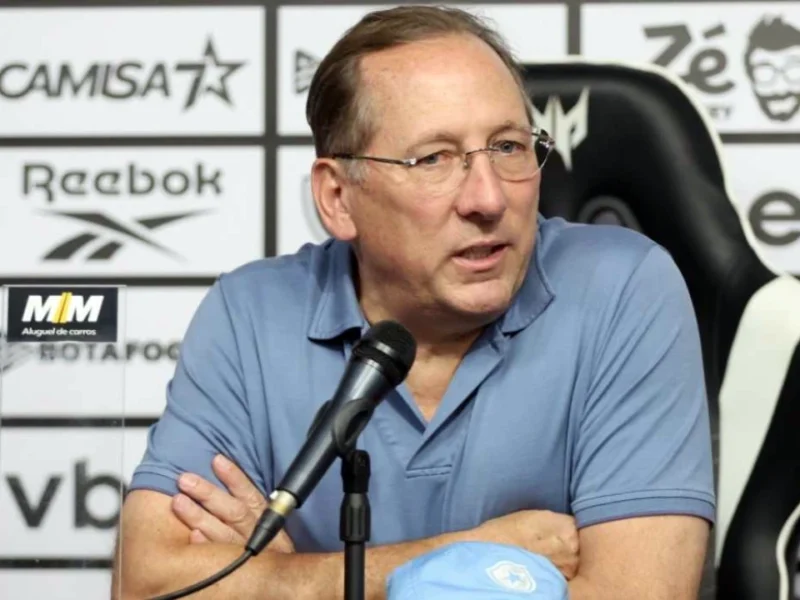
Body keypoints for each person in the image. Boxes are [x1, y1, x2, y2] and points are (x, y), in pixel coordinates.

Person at [112, 5, 715, 599]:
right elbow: (147, 586)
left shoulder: (622, 287)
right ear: (338, 198)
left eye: (508, 146)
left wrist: (284, 579)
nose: (488, 199)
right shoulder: (249, 314)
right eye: (433, 159)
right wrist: (484, 561)